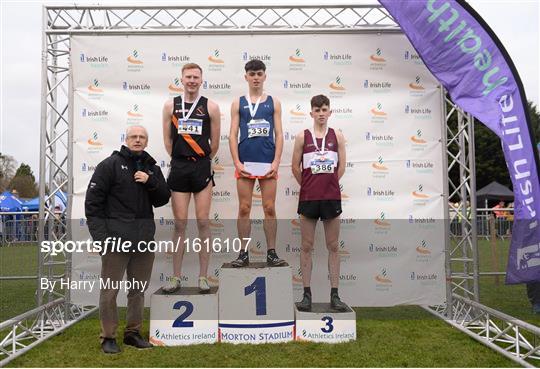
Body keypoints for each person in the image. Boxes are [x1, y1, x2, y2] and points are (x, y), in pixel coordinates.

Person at [85, 125, 170, 354]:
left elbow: (163, 197)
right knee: (110, 291)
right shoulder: (109, 165)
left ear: (146, 141)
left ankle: (133, 333)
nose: (138, 140)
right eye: (134, 136)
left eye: (142, 137)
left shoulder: (151, 168)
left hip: (143, 240)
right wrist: (103, 239)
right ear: (126, 139)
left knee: (137, 290)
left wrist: (149, 180)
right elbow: (93, 206)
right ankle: (108, 337)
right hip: (116, 241)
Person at [161, 63, 221, 293]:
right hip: (179, 168)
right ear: (181, 79)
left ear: (201, 80)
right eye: (188, 77)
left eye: (196, 77)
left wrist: (201, 159)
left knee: (204, 222)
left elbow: (214, 143)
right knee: (179, 224)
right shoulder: (170, 106)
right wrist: (179, 158)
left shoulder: (211, 107)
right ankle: (176, 277)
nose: (192, 80)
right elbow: (168, 140)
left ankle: (203, 277)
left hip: (201, 169)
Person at [291, 94, 348, 312]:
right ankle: (306, 295)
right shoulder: (301, 137)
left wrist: (329, 183)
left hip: (331, 196)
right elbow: (295, 167)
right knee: (307, 246)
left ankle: (335, 294)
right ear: (311, 113)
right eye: (317, 110)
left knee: (333, 246)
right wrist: (308, 185)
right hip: (308, 197)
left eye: (325, 109)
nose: (321, 113)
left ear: (330, 112)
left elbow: (341, 167)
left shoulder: (337, 136)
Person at [228, 59, 286, 267]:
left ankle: (271, 252)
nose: (255, 77)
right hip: (245, 162)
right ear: (246, 76)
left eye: (259, 73)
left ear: (264, 76)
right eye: (251, 74)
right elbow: (232, 134)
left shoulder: (274, 102)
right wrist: (236, 162)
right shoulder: (238, 102)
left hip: (267, 162)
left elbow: (279, 134)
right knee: (244, 208)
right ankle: (243, 253)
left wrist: (276, 162)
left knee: (269, 208)